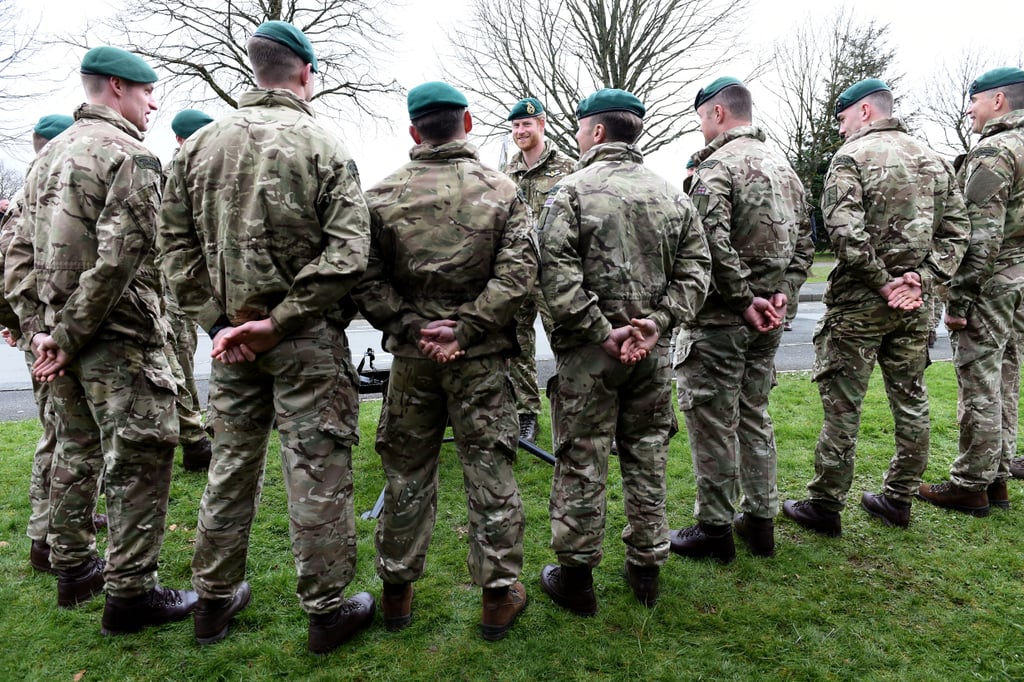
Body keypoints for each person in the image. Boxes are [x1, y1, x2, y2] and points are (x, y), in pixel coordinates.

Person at [158, 21, 373, 654]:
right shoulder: (324, 145)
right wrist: (278, 321)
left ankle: (213, 602)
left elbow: (173, 248)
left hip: (233, 346)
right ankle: (326, 611)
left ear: (256, 69)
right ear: (304, 72)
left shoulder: (196, 147)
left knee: (230, 466)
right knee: (316, 472)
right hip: (302, 343)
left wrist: (221, 324)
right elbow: (349, 253)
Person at [3, 46, 198, 634]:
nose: (154, 103)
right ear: (117, 87)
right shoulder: (133, 158)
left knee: (73, 450)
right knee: (140, 457)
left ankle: (74, 569)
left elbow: (15, 256)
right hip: (118, 338)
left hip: (60, 341)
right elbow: (119, 260)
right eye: (147, 92)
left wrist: (41, 331)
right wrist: (63, 333)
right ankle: (132, 594)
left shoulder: (45, 159)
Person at [353, 81, 536, 641]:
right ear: (470, 123)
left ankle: (396, 592)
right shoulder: (504, 192)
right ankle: (498, 599)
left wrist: (411, 327)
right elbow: (519, 276)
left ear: (414, 131)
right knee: (490, 470)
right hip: (478, 362)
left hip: (411, 363)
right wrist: (467, 327)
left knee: (406, 472)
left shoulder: (381, 196)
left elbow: (363, 276)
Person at [536, 88, 710, 614]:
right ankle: (646, 566)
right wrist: (656, 324)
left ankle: (577, 578)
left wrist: (600, 329)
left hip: (591, 358)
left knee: (581, 458)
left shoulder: (569, 193)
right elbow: (697, 271)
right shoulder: (672, 196)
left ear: (596, 132)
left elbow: (553, 274)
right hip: (650, 355)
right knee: (647, 454)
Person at [782, 78, 969, 535]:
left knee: (843, 408)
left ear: (865, 111)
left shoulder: (851, 159)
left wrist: (887, 284)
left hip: (859, 307)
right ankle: (899, 498)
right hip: (914, 306)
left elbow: (843, 232)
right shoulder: (936, 162)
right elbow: (959, 231)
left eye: (842, 117)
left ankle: (825, 506)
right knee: (911, 401)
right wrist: (921, 281)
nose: (840, 127)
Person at [669, 77, 812, 562]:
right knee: (753, 414)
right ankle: (761, 519)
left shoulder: (717, 168)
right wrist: (781, 297)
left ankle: (714, 531)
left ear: (716, 114)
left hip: (721, 321)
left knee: (712, 420)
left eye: (701, 119)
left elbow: (708, 244)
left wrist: (744, 299)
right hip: (765, 319)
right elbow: (805, 245)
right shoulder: (786, 170)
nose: (702, 128)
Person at [0, 114, 106, 577]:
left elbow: (12, 262)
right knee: (64, 436)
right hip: (53, 337)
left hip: (42, 332)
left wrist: (19, 324)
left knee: (63, 434)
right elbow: (9, 261)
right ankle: (47, 537)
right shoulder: (42, 191)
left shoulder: (32, 190)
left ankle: (55, 530)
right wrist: (24, 327)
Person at [917, 67, 1024, 515]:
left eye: (974, 100)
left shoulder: (995, 152)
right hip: (1021, 278)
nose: (969, 109)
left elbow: (981, 236)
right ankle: (997, 476)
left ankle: (971, 483)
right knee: (1006, 376)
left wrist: (958, 301)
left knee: (979, 380)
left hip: (992, 281)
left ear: (997, 100)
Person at [503, 97, 576, 442]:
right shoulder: (506, 172)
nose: (520, 131)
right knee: (517, 345)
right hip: (517, 272)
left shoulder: (569, 168)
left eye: (526, 125)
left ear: (541, 124)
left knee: (567, 342)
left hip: (554, 273)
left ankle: (574, 410)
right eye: (516, 126)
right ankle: (526, 413)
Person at [160, 108, 215, 473]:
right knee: (179, 362)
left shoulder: (181, 171)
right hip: (175, 284)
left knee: (183, 361)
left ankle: (197, 436)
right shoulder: (174, 174)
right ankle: (195, 439)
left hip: (181, 282)